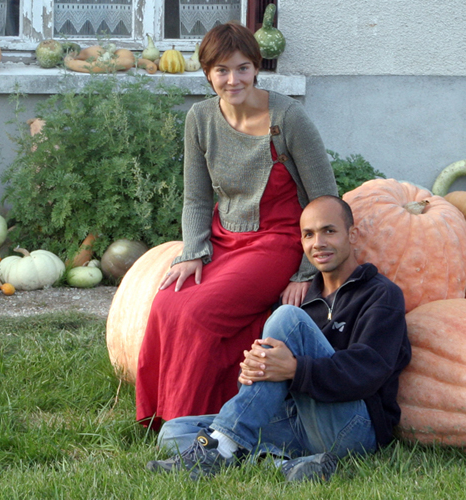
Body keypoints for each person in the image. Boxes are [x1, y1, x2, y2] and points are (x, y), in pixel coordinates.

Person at [135, 22, 338, 427]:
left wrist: (305, 270)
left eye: (243, 68)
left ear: (256, 67)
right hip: (224, 238)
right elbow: (196, 196)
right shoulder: (200, 118)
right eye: (222, 70)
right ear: (207, 73)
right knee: (165, 304)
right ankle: (162, 415)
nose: (233, 80)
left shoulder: (288, 118)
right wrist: (193, 251)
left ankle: (186, 424)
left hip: (278, 242)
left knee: (198, 313)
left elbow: (326, 201)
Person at [146, 196, 411, 481]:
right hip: (299, 423)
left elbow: (368, 370)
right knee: (174, 432)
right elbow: (269, 386)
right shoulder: (305, 298)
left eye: (329, 231)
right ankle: (283, 464)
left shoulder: (381, 295)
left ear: (352, 235)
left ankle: (222, 446)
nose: (318, 243)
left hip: (353, 426)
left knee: (287, 317)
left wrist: (295, 369)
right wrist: (252, 370)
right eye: (308, 234)